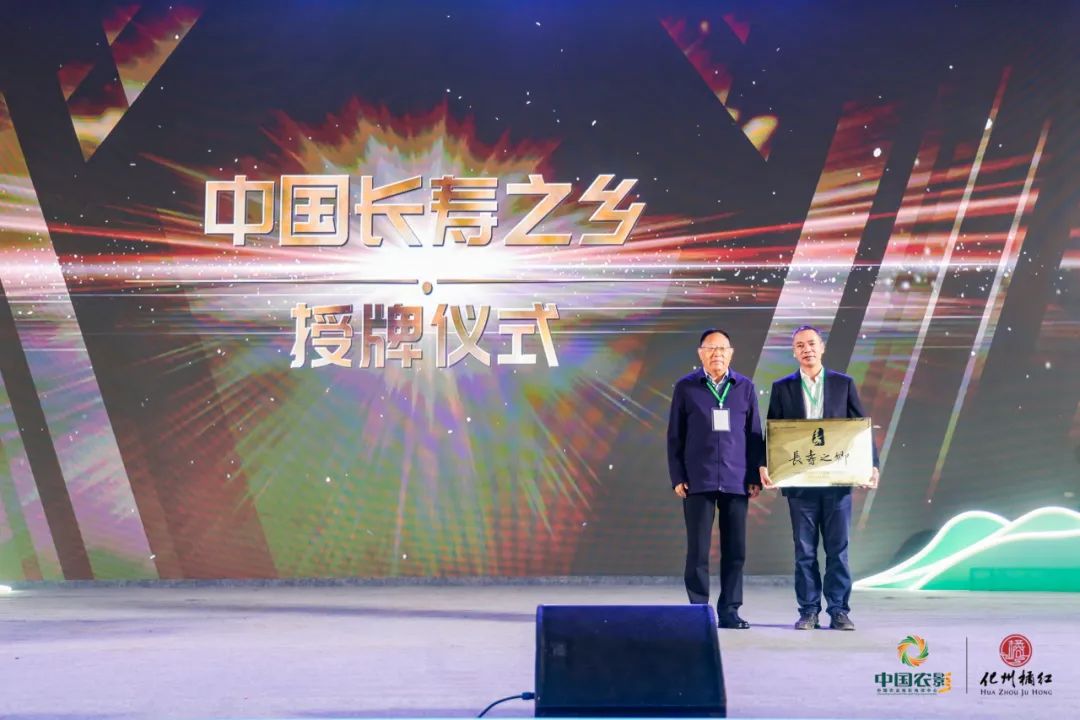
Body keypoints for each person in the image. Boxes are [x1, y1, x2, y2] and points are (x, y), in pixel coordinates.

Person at [759, 325, 879, 631]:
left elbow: (860, 428)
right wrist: (764, 464)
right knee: (805, 552)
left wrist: (871, 465)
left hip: (837, 483)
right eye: (800, 345)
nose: (807, 349)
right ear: (794, 352)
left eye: (811, 343)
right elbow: (773, 431)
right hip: (800, 484)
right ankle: (809, 611)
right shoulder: (783, 387)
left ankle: (838, 610)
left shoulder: (843, 383)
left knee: (838, 550)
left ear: (822, 347)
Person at [667, 328, 763, 629]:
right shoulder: (686, 387)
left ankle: (730, 611)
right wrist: (678, 476)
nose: (716, 354)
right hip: (698, 480)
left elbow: (754, 435)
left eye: (722, 349)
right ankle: (698, 610)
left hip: (737, 480)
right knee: (698, 551)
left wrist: (754, 474)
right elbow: (675, 435)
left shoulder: (745, 387)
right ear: (700, 353)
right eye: (710, 348)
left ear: (731, 353)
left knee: (735, 551)